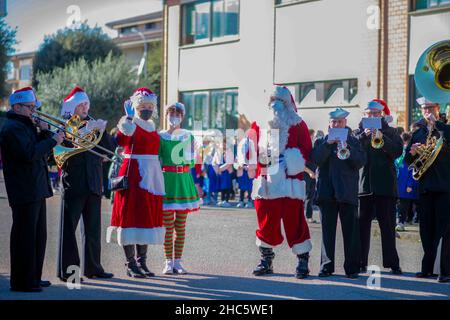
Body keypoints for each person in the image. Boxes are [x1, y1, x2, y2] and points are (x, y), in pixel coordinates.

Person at [0, 87, 64, 292]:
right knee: (25, 236)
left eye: (35, 107)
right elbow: (29, 154)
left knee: (38, 235)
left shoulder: (25, 125)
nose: (33, 111)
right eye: (29, 107)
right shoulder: (12, 127)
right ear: (16, 107)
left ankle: (33, 276)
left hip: (35, 186)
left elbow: (42, 154)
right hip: (24, 188)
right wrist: (52, 140)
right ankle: (22, 281)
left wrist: (45, 131)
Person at [250, 86, 313, 279]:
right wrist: (255, 156)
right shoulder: (259, 124)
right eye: (272, 100)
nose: (276, 104)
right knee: (266, 220)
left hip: (290, 181)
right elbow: (250, 150)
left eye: (281, 101)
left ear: (288, 104)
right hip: (267, 181)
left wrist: (290, 159)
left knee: (295, 220)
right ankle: (266, 260)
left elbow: (307, 150)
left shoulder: (298, 123)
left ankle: (303, 261)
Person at [57, 86, 114, 281]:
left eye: (86, 104)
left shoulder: (93, 123)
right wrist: (78, 134)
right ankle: (69, 271)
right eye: (81, 104)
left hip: (94, 182)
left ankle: (93, 268)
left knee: (93, 230)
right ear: (73, 107)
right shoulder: (66, 125)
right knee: (69, 231)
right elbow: (58, 154)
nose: (85, 108)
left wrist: (103, 131)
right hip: (74, 182)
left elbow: (109, 150)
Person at [107, 88, 165, 278]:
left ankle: (142, 262)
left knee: (144, 216)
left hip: (151, 176)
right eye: (143, 106)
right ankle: (130, 263)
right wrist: (128, 120)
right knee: (130, 216)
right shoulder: (129, 122)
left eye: (150, 106)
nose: (147, 109)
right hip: (133, 174)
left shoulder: (152, 125)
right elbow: (120, 140)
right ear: (135, 106)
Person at [310, 108, 366, 278]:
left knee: (351, 232)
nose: (336, 124)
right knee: (327, 232)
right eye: (334, 122)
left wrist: (347, 147)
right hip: (327, 193)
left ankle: (352, 268)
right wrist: (329, 144)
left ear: (345, 124)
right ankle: (326, 266)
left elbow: (360, 162)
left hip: (347, 192)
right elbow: (316, 160)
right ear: (329, 124)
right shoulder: (321, 141)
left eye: (340, 122)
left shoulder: (354, 141)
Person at [354, 99, 403, 275]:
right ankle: (360, 262)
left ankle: (392, 262)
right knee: (362, 228)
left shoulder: (391, 131)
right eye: (369, 113)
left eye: (376, 113)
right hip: (364, 186)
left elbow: (397, 152)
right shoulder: (357, 132)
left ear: (381, 114)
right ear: (364, 115)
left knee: (388, 227)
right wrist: (363, 137)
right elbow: (352, 154)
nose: (372, 116)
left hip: (385, 187)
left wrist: (383, 138)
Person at [405, 97, 450, 283]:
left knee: (444, 231)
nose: (427, 111)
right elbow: (408, 162)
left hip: (445, 186)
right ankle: (427, 268)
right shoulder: (418, 133)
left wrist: (437, 123)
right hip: (425, 187)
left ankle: (445, 271)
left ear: (438, 108)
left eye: (430, 108)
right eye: (424, 108)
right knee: (426, 230)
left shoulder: (445, 128)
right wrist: (412, 152)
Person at [159, 102, 201, 274]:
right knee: (167, 226)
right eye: (171, 113)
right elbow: (157, 159)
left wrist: (192, 152)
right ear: (166, 115)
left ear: (182, 117)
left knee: (181, 226)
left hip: (183, 181)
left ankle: (178, 262)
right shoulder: (160, 136)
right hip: (167, 181)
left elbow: (191, 162)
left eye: (177, 114)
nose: (173, 117)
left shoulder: (188, 136)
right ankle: (168, 261)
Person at [395, 132, 419, 231]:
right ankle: (400, 220)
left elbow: (413, 170)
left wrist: (410, 184)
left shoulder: (410, 153)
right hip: (398, 182)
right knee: (399, 203)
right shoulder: (398, 152)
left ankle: (402, 221)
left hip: (406, 183)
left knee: (404, 204)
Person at [235, 136, 256, 209]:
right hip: (242, 172)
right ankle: (241, 200)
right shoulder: (239, 154)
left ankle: (250, 201)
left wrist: (249, 167)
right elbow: (235, 162)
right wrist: (238, 166)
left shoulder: (254, 153)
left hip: (249, 171)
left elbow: (256, 164)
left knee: (250, 187)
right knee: (242, 187)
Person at [305, 128, 318, 223]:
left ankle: (309, 216)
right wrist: (309, 172)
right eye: (312, 136)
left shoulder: (314, 147)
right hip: (304, 174)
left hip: (313, 175)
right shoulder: (303, 148)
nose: (313, 138)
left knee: (311, 196)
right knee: (302, 196)